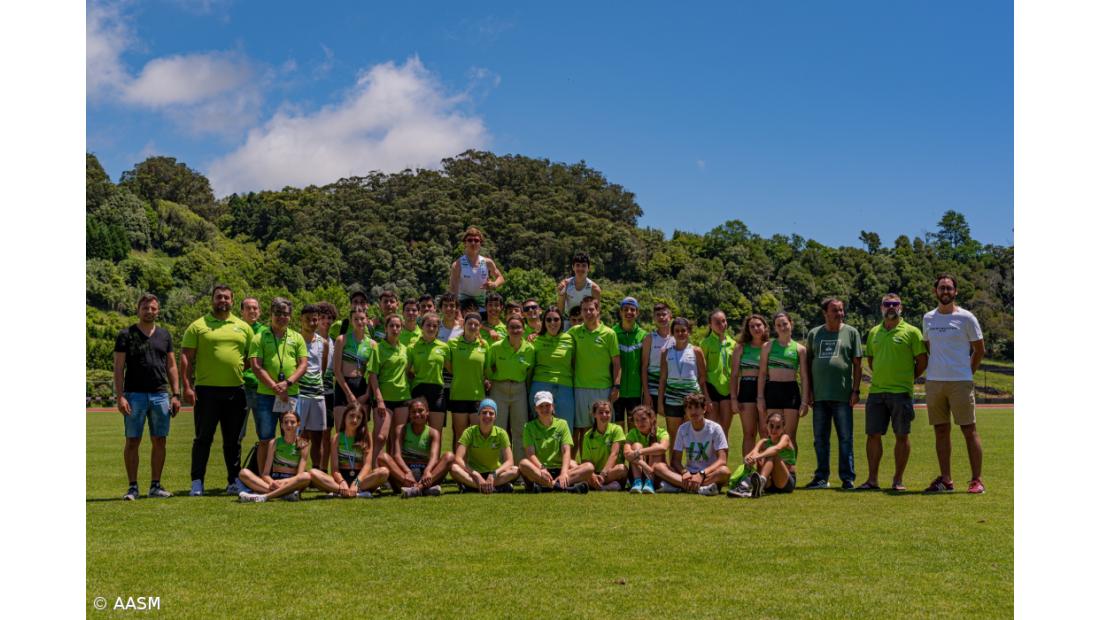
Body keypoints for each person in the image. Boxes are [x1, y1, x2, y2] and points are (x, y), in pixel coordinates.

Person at [180, 284, 254, 496]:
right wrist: (186, 385)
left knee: (233, 440)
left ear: (232, 301)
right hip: (206, 391)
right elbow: (186, 357)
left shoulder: (243, 327)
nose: (223, 301)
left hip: (235, 391)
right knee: (203, 438)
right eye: (218, 297)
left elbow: (251, 358)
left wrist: (236, 368)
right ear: (212, 300)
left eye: (226, 298)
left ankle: (233, 481)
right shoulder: (198, 326)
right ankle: (197, 482)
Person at [922, 275, 986, 494]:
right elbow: (929, 346)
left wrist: (967, 371)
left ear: (956, 292)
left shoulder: (967, 318)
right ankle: (946, 480)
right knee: (941, 431)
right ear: (935, 291)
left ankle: (976, 480)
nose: (945, 291)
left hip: (960, 382)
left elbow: (979, 349)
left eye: (949, 288)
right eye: (942, 288)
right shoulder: (928, 318)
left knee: (969, 430)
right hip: (935, 382)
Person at [857, 294, 927, 491]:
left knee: (902, 435)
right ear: (881, 308)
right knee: (873, 435)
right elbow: (871, 360)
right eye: (887, 304)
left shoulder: (912, 332)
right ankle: (872, 480)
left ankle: (898, 480)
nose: (891, 307)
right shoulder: (873, 333)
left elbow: (922, 361)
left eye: (895, 304)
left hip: (901, 392)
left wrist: (906, 378)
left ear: (901, 308)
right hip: (877, 391)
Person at [114, 293, 180, 500]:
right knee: (133, 440)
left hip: (160, 395)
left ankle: (155, 486)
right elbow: (118, 367)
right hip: (134, 395)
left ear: (158, 310)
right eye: (145, 308)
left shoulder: (164, 335)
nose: (149, 311)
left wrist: (176, 394)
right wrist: (120, 396)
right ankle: (133, 487)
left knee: (160, 440)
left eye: (153, 308)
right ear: (138, 309)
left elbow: (171, 366)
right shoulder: (126, 334)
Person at [804, 298, 863, 490]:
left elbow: (857, 365)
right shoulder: (814, 334)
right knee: (820, 440)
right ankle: (821, 477)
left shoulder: (851, 333)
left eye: (841, 310)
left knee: (845, 439)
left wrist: (855, 390)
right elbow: (808, 364)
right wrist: (810, 391)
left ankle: (847, 478)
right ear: (825, 313)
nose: (840, 314)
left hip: (843, 396)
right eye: (835, 310)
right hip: (820, 396)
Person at [248, 297, 309, 478]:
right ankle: (263, 478)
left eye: (286, 314)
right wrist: (275, 386)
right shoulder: (260, 337)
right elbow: (256, 366)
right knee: (265, 439)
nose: (282, 317)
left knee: (292, 438)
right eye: (278, 313)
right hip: (266, 396)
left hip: (290, 395)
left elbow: (303, 365)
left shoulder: (296, 337)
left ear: (290, 317)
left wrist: (287, 383)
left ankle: (291, 478)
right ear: (271, 315)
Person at [567, 296, 622, 448]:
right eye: (585, 309)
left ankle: (604, 464)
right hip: (580, 388)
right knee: (583, 429)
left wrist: (616, 386)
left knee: (604, 428)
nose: (588, 312)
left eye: (591, 309)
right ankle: (586, 462)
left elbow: (617, 363)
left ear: (598, 311)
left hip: (603, 389)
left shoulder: (609, 333)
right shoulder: (574, 332)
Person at [652, 393, 730, 495]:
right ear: (685, 411)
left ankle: (683, 487)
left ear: (704, 409)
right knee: (658, 467)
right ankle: (702, 488)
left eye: (697, 407)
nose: (693, 412)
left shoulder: (715, 428)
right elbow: (675, 460)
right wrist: (684, 472)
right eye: (690, 408)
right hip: (688, 474)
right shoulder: (683, 429)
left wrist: (701, 474)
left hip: (708, 473)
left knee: (724, 472)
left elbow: (722, 460)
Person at [378, 397, 455, 498]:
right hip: (405, 476)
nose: (417, 414)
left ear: (427, 412)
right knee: (382, 457)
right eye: (413, 412)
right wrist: (407, 472)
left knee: (449, 456)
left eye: (420, 411)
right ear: (409, 415)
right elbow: (396, 455)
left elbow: (434, 458)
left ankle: (418, 488)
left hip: (425, 476)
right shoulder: (401, 429)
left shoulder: (433, 433)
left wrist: (427, 471)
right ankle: (423, 489)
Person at [310, 401, 389, 498]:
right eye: (351, 416)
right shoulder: (337, 438)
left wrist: (356, 483)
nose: (354, 420)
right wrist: (342, 482)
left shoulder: (366, 437)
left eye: (359, 417)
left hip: (360, 479)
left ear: (362, 420)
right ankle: (348, 491)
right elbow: (335, 469)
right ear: (345, 417)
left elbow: (367, 466)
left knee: (384, 472)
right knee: (313, 472)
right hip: (341, 479)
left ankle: (344, 492)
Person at [518, 391, 589, 493]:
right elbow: (530, 454)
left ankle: (547, 486)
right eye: (541, 406)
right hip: (541, 469)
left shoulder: (562, 424)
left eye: (547, 405)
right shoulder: (528, 427)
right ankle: (562, 486)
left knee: (588, 467)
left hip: (560, 467)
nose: (544, 409)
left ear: (553, 406)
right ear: (535, 409)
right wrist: (542, 468)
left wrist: (564, 472)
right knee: (523, 464)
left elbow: (566, 451)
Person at [237, 410, 313, 502]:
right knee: (243, 473)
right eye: (285, 422)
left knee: (306, 476)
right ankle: (285, 494)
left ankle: (264, 496)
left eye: (292, 422)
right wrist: (272, 482)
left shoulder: (303, 444)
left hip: (292, 482)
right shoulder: (274, 443)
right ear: (281, 425)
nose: (289, 425)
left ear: (298, 424)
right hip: (274, 482)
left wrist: (283, 482)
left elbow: (299, 475)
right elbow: (265, 474)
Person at [487, 316, 535, 461]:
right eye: (512, 327)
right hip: (499, 387)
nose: (515, 330)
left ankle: (520, 466)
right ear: (506, 329)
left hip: (519, 389)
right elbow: (489, 369)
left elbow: (529, 372)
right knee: (499, 428)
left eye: (518, 327)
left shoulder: (529, 349)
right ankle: (500, 466)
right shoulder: (496, 347)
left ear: (524, 329)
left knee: (520, 429)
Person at [658, 317, 709, 453]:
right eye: (677, 331)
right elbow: (663, 378)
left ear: (689, 332)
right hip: (672, 398)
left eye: (683, 330)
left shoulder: (696, 351)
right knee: (674, 437)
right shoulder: (666, 352)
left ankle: (694, 467)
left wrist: (706, 399)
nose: (680, 333)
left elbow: (703, 377)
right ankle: (675, 468)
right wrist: (660, 402)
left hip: (693, 399)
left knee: (693, 435)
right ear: (672, 333)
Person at [450, 399, 520, 493]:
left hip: (494, 474)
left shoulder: (501, 433)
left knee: (515, 470)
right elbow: (458, 458)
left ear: (495, 417)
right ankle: (494, 488)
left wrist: (494, 474)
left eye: (491, 413)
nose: (487, 416)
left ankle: (473, 488)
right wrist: (476, 475)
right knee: (454, 468)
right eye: (484, 412)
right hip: (474, 474)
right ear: (479, 414)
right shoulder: (469, 432)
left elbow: (510, 461)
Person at [447, 313, 490, 451]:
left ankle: (473, 469)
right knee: (460, 436)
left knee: (476, 436)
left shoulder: (484, 345)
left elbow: (487, 370)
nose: (472, 327)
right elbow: (449, 367)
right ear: (463, 325)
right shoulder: (452, 343)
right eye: (469, 324)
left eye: (476, 325)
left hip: (477, 396)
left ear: (479, 327)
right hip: (458, 395)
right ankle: (459, 468)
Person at [530, 306, 576, 430]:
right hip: (540, 385)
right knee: (540, 428)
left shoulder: (570, 339)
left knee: (565, 428)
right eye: (548, 320)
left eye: (556, 319)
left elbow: (574, 363)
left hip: (565, 387)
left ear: (561, 321)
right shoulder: (536, 339)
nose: (552, 323)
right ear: (544, 322)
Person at [731, 411, 796, 498]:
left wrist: (759, 456)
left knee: (772, 454)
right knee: (760, 461)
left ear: (783, 428)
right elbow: (750, 455)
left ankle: (759, 484)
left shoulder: (785, 438)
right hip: (769, 483)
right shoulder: (763, 441)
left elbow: (777, 449)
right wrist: (749, 460)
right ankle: (745, 486)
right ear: (766, 426)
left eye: (778, 427)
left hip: (785, 483)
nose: (773, 430)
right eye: (771, 426)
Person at [296, 304, 330, 470]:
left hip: (317, 394)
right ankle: (296, 471)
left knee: (318, 436)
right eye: (308, 319)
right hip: (300, 394)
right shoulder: (295, 340)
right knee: (300, 435)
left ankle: (317, 471)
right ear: (301, 320)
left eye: (314, 319)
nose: (311, 322)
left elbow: (322, 369)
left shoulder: (323, 342)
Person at [332, 308, 377, 433]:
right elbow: (336, 370)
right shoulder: (342, 340)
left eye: (362, 318)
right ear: (351, 321)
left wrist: (368, 394)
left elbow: (372, 373)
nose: (359, 321)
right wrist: (348, 394)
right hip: (343, 385)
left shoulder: (373, 344)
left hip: (362, 387)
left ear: (367, 320)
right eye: (355, 319)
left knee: (361, 432)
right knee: (341, 430)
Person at [731, 314, 769, 457]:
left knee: (766, 432)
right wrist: (734, 399)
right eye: (751, 326)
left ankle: (766, 470)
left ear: (765, 327)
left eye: (758, 325)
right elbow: (734, 375)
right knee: (749, 433)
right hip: (746, 389)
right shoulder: (741, 348)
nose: (755, 328)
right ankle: (747, 470)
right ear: (747, 329)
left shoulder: (770, 346)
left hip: (766, 390)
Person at [376, 314, 411, 465]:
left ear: (401, 329)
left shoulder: (405, 349)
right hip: (385, 398)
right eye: (392, 326)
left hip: (403, 397)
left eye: (398, 326)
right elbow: (372, 376)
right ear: (386, 328)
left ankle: (393, 474)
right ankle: (374, 470)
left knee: (397, 439)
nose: (395, 329)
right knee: (381, 437)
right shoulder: (378, 348)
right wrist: (379, 400)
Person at [408, 312, 451, 432]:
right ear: (422, 326)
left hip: (437, 393)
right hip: (418, 391)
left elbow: (451, 369)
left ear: (438, 329)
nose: (431, 328)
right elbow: (406, 371)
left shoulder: (444, 347)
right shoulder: (412, 347)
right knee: (416, 431)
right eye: (428, 325)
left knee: (436, 434)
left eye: (434, 326)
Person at [573, 400, 628, 491]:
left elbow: (614, 454)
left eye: (607, 412)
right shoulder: (588, 436)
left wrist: (603, 474)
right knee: (573, 464)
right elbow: (586, 461)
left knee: (622, 469)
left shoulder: (616, 429)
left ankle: (596, 486)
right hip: (595, 473)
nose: (604, 415)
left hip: (610, 472)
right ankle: (606, 486)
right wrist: (593, 475)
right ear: (594, 414)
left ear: (611, 414)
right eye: (601, 412)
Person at [448, 226, 505, 312]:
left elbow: (501, 278)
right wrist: (456, 309)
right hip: (463, 305)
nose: (473, 243)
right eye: (470, 240)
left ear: (480, 243)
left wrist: (494, 284)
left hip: (482, 304)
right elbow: (453, 288)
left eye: (476, 240)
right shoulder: (457, 264)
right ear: (465, 243)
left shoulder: (487, 262)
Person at [700, 309, 736, 437]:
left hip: (728, 390)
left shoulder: (733, 344)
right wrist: (706, 396)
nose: (722, 325)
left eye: (724, 321)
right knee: (711, 431)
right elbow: (701, 372)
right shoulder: (705, 343)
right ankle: (710, 457)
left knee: (724, 431)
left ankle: (722, 457)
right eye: (717, 322)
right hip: (711, 389)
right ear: (710, 325)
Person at [613, 297, 646, 427]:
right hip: (617, 390)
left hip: (635, 391)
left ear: (637, 313)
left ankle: (633, 448)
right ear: (620, 312)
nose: (629, 312)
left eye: (632, 309)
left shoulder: (643, 335)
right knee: (618, 427)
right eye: (625, 309)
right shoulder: (612, 333)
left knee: (634, 427)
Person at [622, 405, 670, 494]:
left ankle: (649, 482)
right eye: (637, 420)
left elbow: (663, 448)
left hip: (656, 474)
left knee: (655, 445)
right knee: (636, 445)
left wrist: (639, 452)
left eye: (644, 419)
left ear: (651, 419)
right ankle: (637, 482)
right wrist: (645, 466)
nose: (640, 423)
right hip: (639, 472)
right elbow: (627, 453)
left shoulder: (661, 432)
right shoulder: (632, 433)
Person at [315, 301, 340, 468]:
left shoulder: (335, 342)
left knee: (326, 434)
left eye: (329, 318)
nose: (326, 321)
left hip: (329, 393)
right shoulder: (309, 339)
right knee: (307, 436)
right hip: (310, 392)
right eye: (322, 317)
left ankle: (323, 471)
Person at [238, 297, 264, 444]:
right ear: (242, 311)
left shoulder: (265, 331)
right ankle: (236, 467)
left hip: (261, 388)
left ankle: (262, 467)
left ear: (259, 311)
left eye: (255, 308)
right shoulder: (236, 329)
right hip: (241, 387)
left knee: (264, 434)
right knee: (237, 433)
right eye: (248, 308)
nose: (252, 311)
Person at [641, 302, 673, 411]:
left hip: (671, 390)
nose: (661, 317)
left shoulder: (676, 339)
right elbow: (644, 367)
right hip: (652, 390)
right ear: (654, 318)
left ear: (670, 317)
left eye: (664, 314)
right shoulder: (649, 338)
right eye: (658, 315)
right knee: (649, 426)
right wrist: (646, 393)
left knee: (673, 427)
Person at [556, 251, 602, 317]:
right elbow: (560, 311)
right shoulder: (566, 284)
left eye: (584, 266)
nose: (580, 268)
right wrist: (560, 295)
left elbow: (597, 313)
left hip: (586, 322)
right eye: (577, 265)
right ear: (573, 267)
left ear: (588, 268)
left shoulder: (594, 289)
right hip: (568, 321)